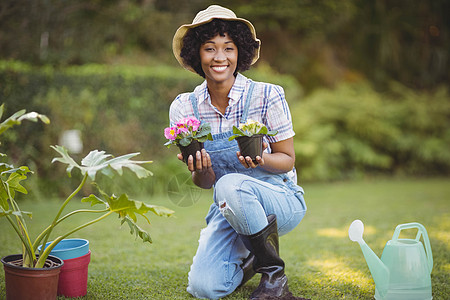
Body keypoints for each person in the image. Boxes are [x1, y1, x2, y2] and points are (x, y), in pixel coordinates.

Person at [169, 5, 307, 300]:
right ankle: (252, 260)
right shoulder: (185, 107)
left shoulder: (267, 94)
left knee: (229, 183)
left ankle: (274, 278)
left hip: (279, 199)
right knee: (204, 288)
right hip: (228, 207)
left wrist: (260, 158)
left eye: (228, 48)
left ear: (239, 52)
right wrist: (201, 168)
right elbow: (205, 183)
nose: (220, 57)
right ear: (197, 54)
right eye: (209, 49)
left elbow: (287, 160)